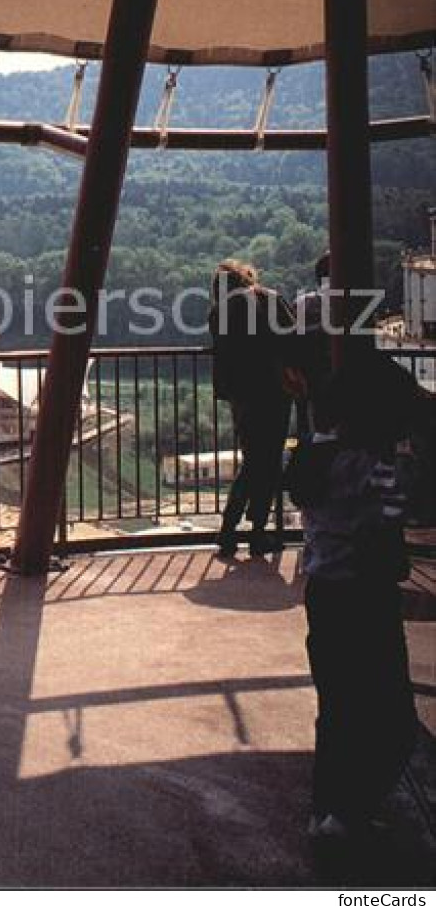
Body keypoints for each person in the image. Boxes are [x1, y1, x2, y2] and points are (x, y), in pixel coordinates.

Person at [292, 347, 425, 842]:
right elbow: (393, 527)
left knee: (339, 709)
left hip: (324, 594)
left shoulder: (316, 457)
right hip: (367, 600)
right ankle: (349, 815)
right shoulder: (379, 467)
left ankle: (328, 811)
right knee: (395, 721)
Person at [208, 259, 296, 559]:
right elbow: (292, 337)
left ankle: (231, 528)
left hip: (243, 394)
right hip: (276, 390)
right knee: (268, 460)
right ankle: (255, 531)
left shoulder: (221, 310)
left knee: (254, 459)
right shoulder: (272, 298)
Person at [291, 250, 333, 436]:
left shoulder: (301, 303)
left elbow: (289, 339)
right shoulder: (350, 305)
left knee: (307, 433)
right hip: (333, 380)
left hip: (304, 381)